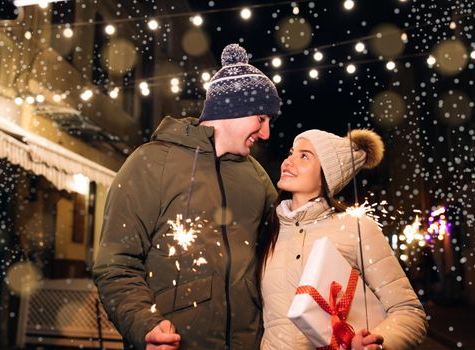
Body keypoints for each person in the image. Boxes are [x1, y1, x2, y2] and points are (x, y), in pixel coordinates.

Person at [93, 43, 281, 350]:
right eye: (262, 118)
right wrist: (144, 323)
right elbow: (116, 265)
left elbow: (284, 254)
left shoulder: (257, 178)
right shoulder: (151, 163)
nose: (266, 133)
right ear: (233, 108)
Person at [259, 129, 428, 350]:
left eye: (304, 156)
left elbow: (409, 311)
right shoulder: (270, 230)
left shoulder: (356, 228)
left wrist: (378, 342)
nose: (288, 161)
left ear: (327, 175)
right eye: (291, 153)